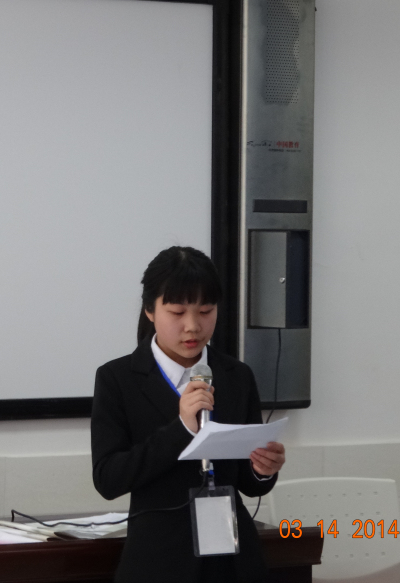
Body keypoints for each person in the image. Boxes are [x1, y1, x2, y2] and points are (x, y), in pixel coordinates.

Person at [91, 246, 286, 583]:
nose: (193, 326)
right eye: (177, 312)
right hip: (158, 561)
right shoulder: (118, 379)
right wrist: (181, 428)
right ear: (150, 310)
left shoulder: (236, 376)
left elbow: (249, 484)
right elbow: (109, 479)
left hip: (233, 560)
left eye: (206, 311)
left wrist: (262, 469)